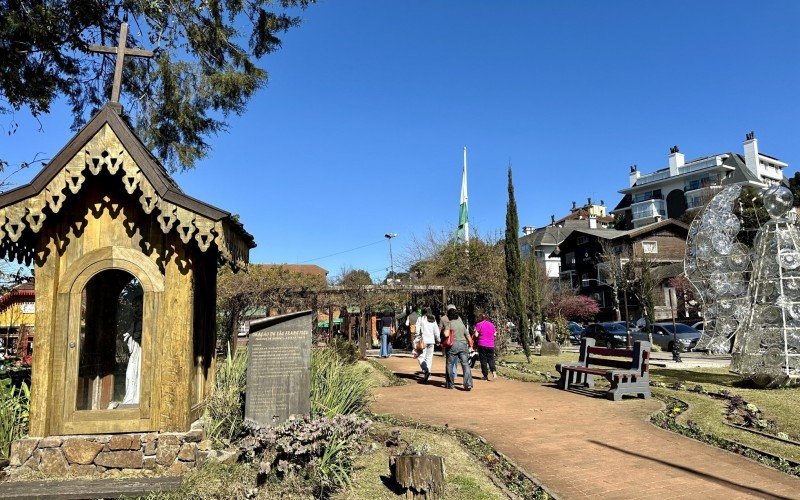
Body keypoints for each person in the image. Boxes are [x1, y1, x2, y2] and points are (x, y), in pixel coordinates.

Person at [446, 308, 473, 390]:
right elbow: (468, 337)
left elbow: (446, 334)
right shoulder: (462, 324)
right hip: (463, 345)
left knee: (450, 364)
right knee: (465, 364)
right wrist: (470, 346)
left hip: (452, 346)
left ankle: (450, 384)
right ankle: (467, 384)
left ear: (449, 315)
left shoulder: (449, 323)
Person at [414, 307, 439, 382]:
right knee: (429, 358)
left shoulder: (420, 319)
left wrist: (417, 337)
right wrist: (438, 339)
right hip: (431, 341)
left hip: (423, 341)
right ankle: (428, 374)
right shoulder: (433, 319)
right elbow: (436, 330)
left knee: (421, 357)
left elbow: (417, 330)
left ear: (423, 312)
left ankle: (426, 371)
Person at [474, 313, 497, 380]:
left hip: (482, 344)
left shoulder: (478, 324)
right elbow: (495, 334)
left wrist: (475, 331)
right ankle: (494, 373)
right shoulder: (492, 325)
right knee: (491, 359)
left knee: (483, 360)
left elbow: (476, 335)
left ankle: (485, 375)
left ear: (480, 318)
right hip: (491, 345)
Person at [439, 304, 456, 385]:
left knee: (449, 360)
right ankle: (454, 373)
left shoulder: (443, 318)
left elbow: (439, 329)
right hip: (457, 340)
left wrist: (439, 339)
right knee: (455, 359)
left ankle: (449, 380)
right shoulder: (458, 318)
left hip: (448, 340)